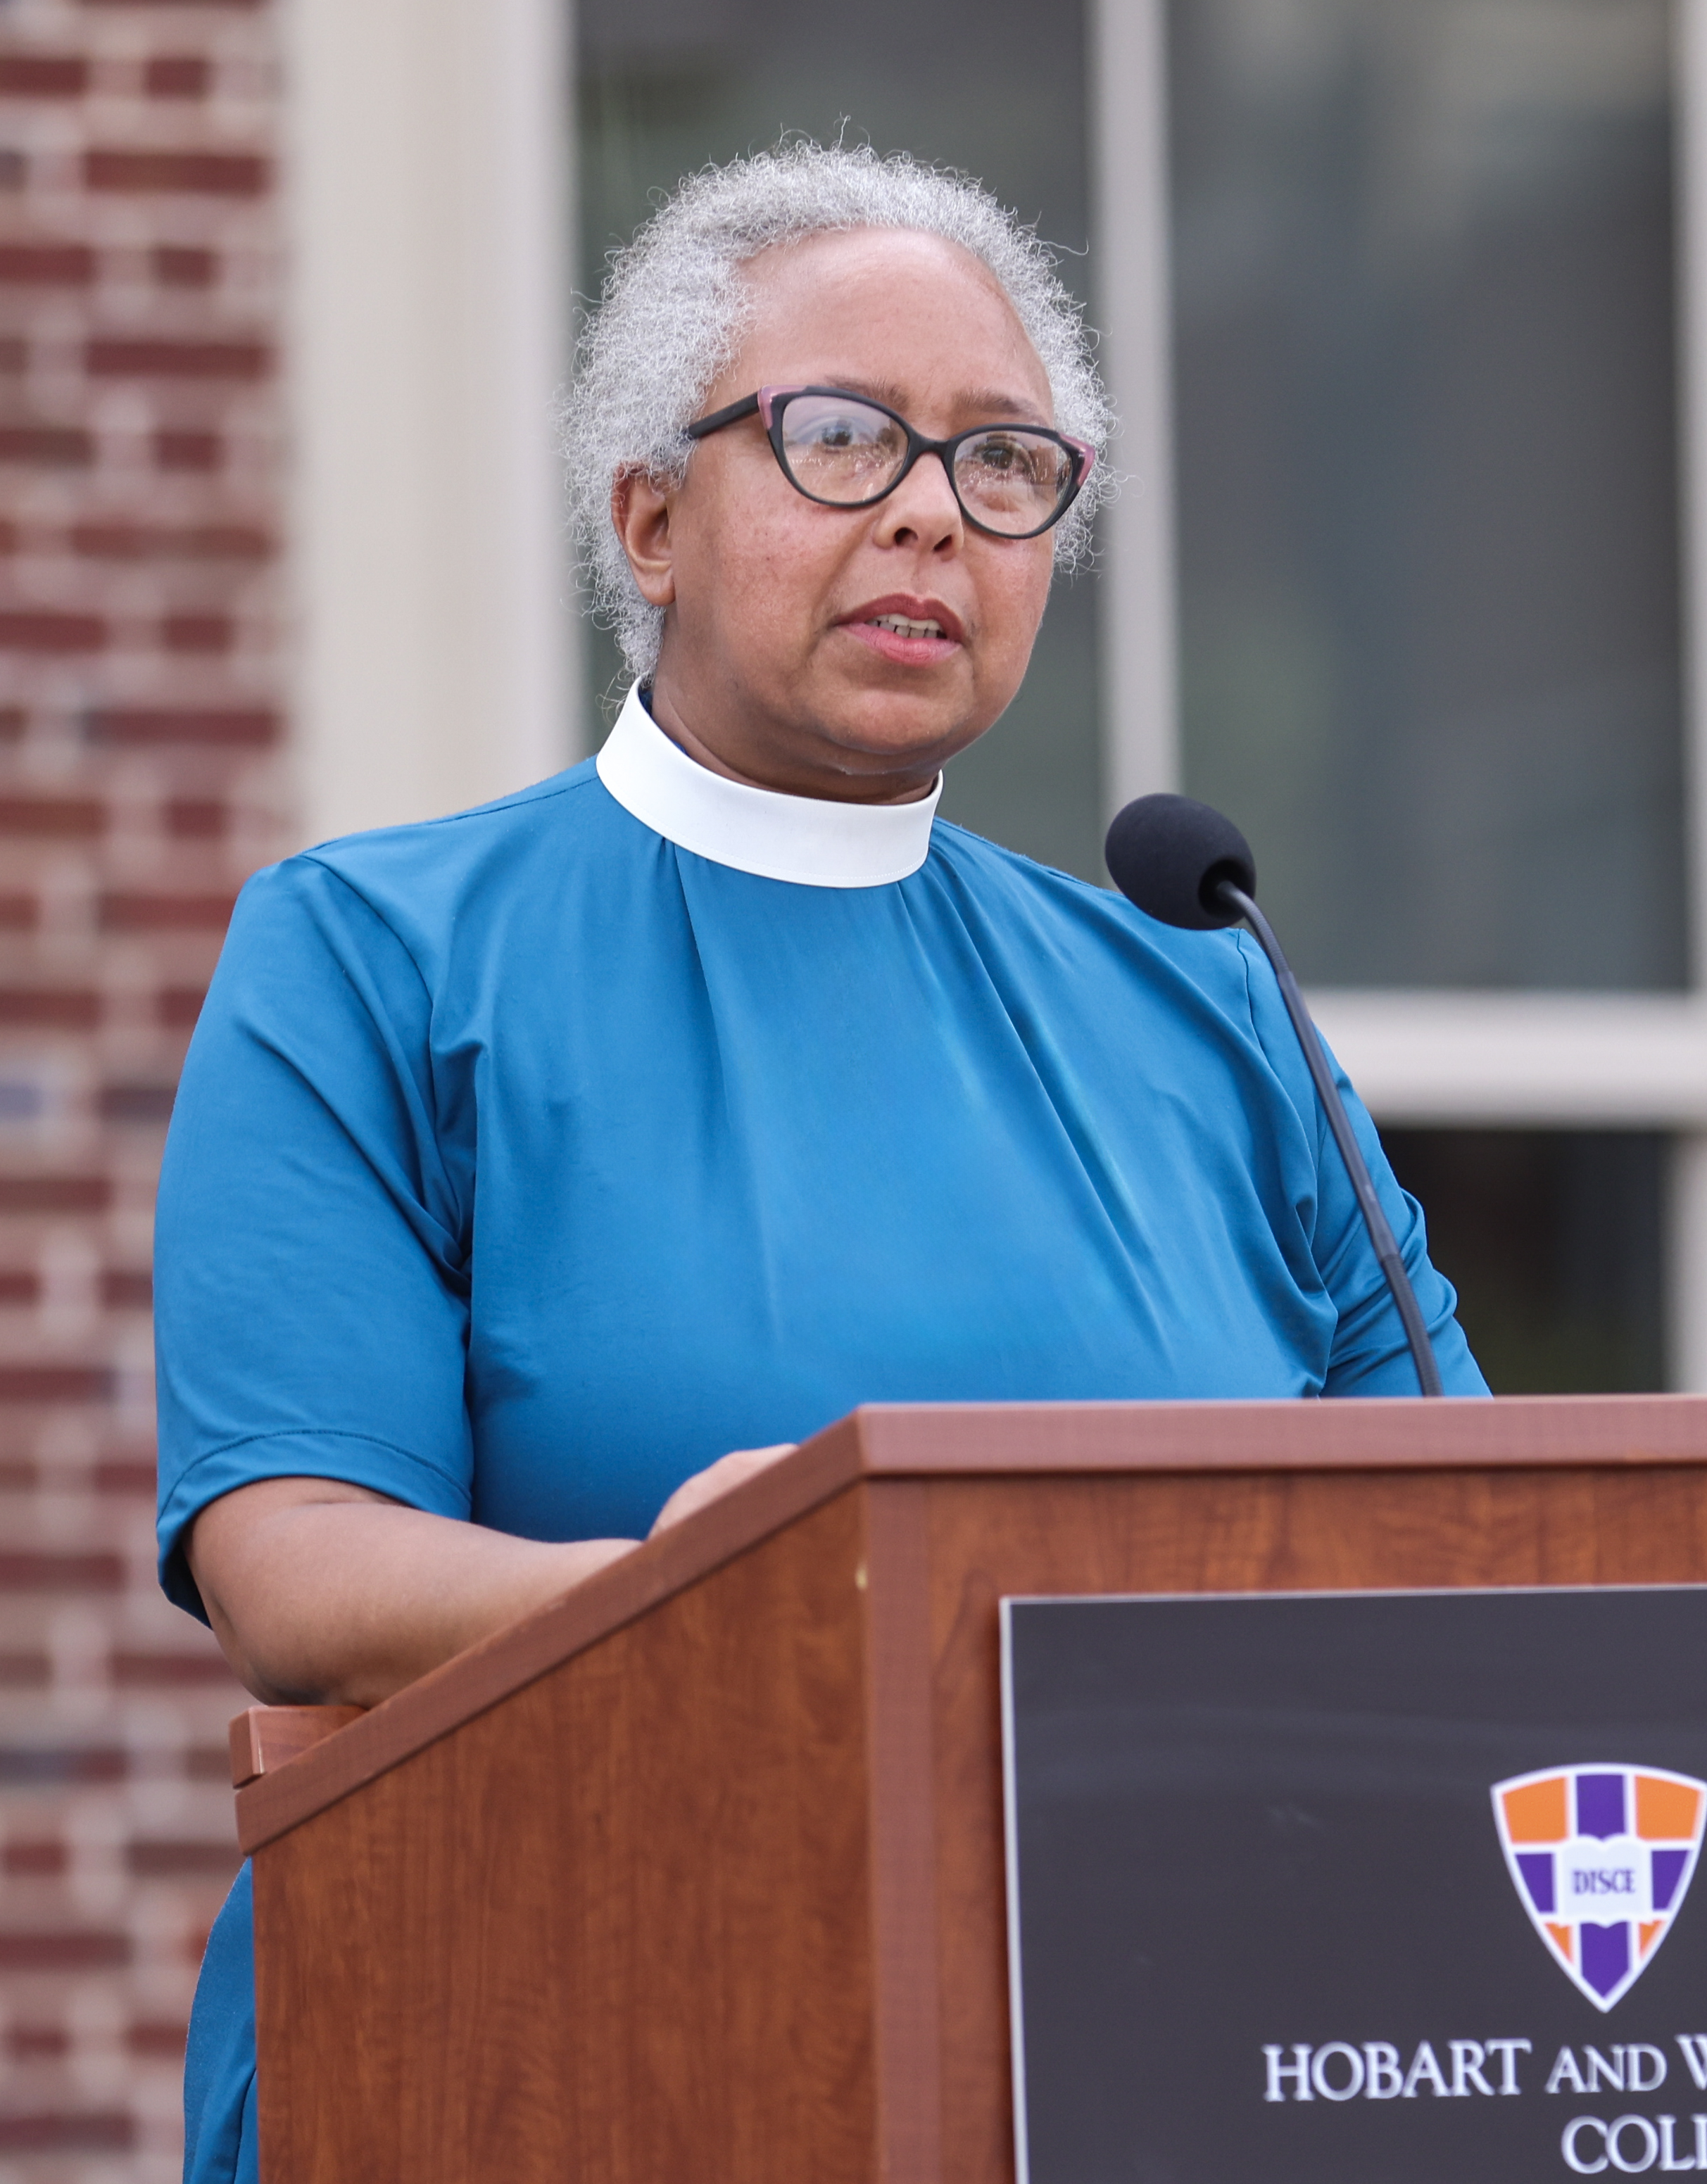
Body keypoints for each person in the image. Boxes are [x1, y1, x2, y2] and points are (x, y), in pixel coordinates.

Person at [149, 144, 1488, 2180]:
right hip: (557, 2039)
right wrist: (706, 1609)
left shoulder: (1197, 998)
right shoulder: (379, 958)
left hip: (1175, 2044)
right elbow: (291, 1559)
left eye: (1004, 463)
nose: (933, 511)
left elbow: (1474, 1536)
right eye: (843, 438)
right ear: (651, 514)